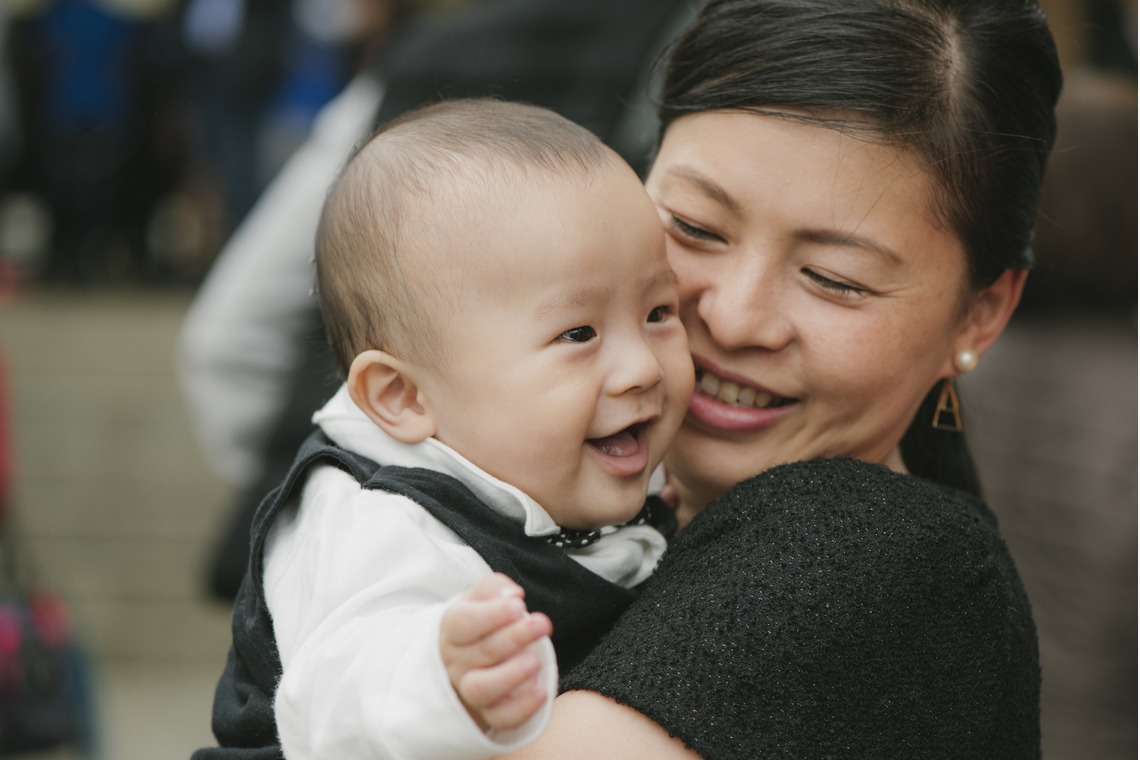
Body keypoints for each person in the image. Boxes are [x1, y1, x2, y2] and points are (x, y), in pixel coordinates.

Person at [493, 0, 1063, 758]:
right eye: (694, 227)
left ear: (979, 315)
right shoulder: (584, 493)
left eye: (835, 278)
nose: (733, 319)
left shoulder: (865, 554)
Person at [192, 98, 693, 759]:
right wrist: (442, 679)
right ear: (402, 396)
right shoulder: (375, 519)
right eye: (579, 333)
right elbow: (337, 691)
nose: (640, 369)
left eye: (659, 311)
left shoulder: (560, 459)